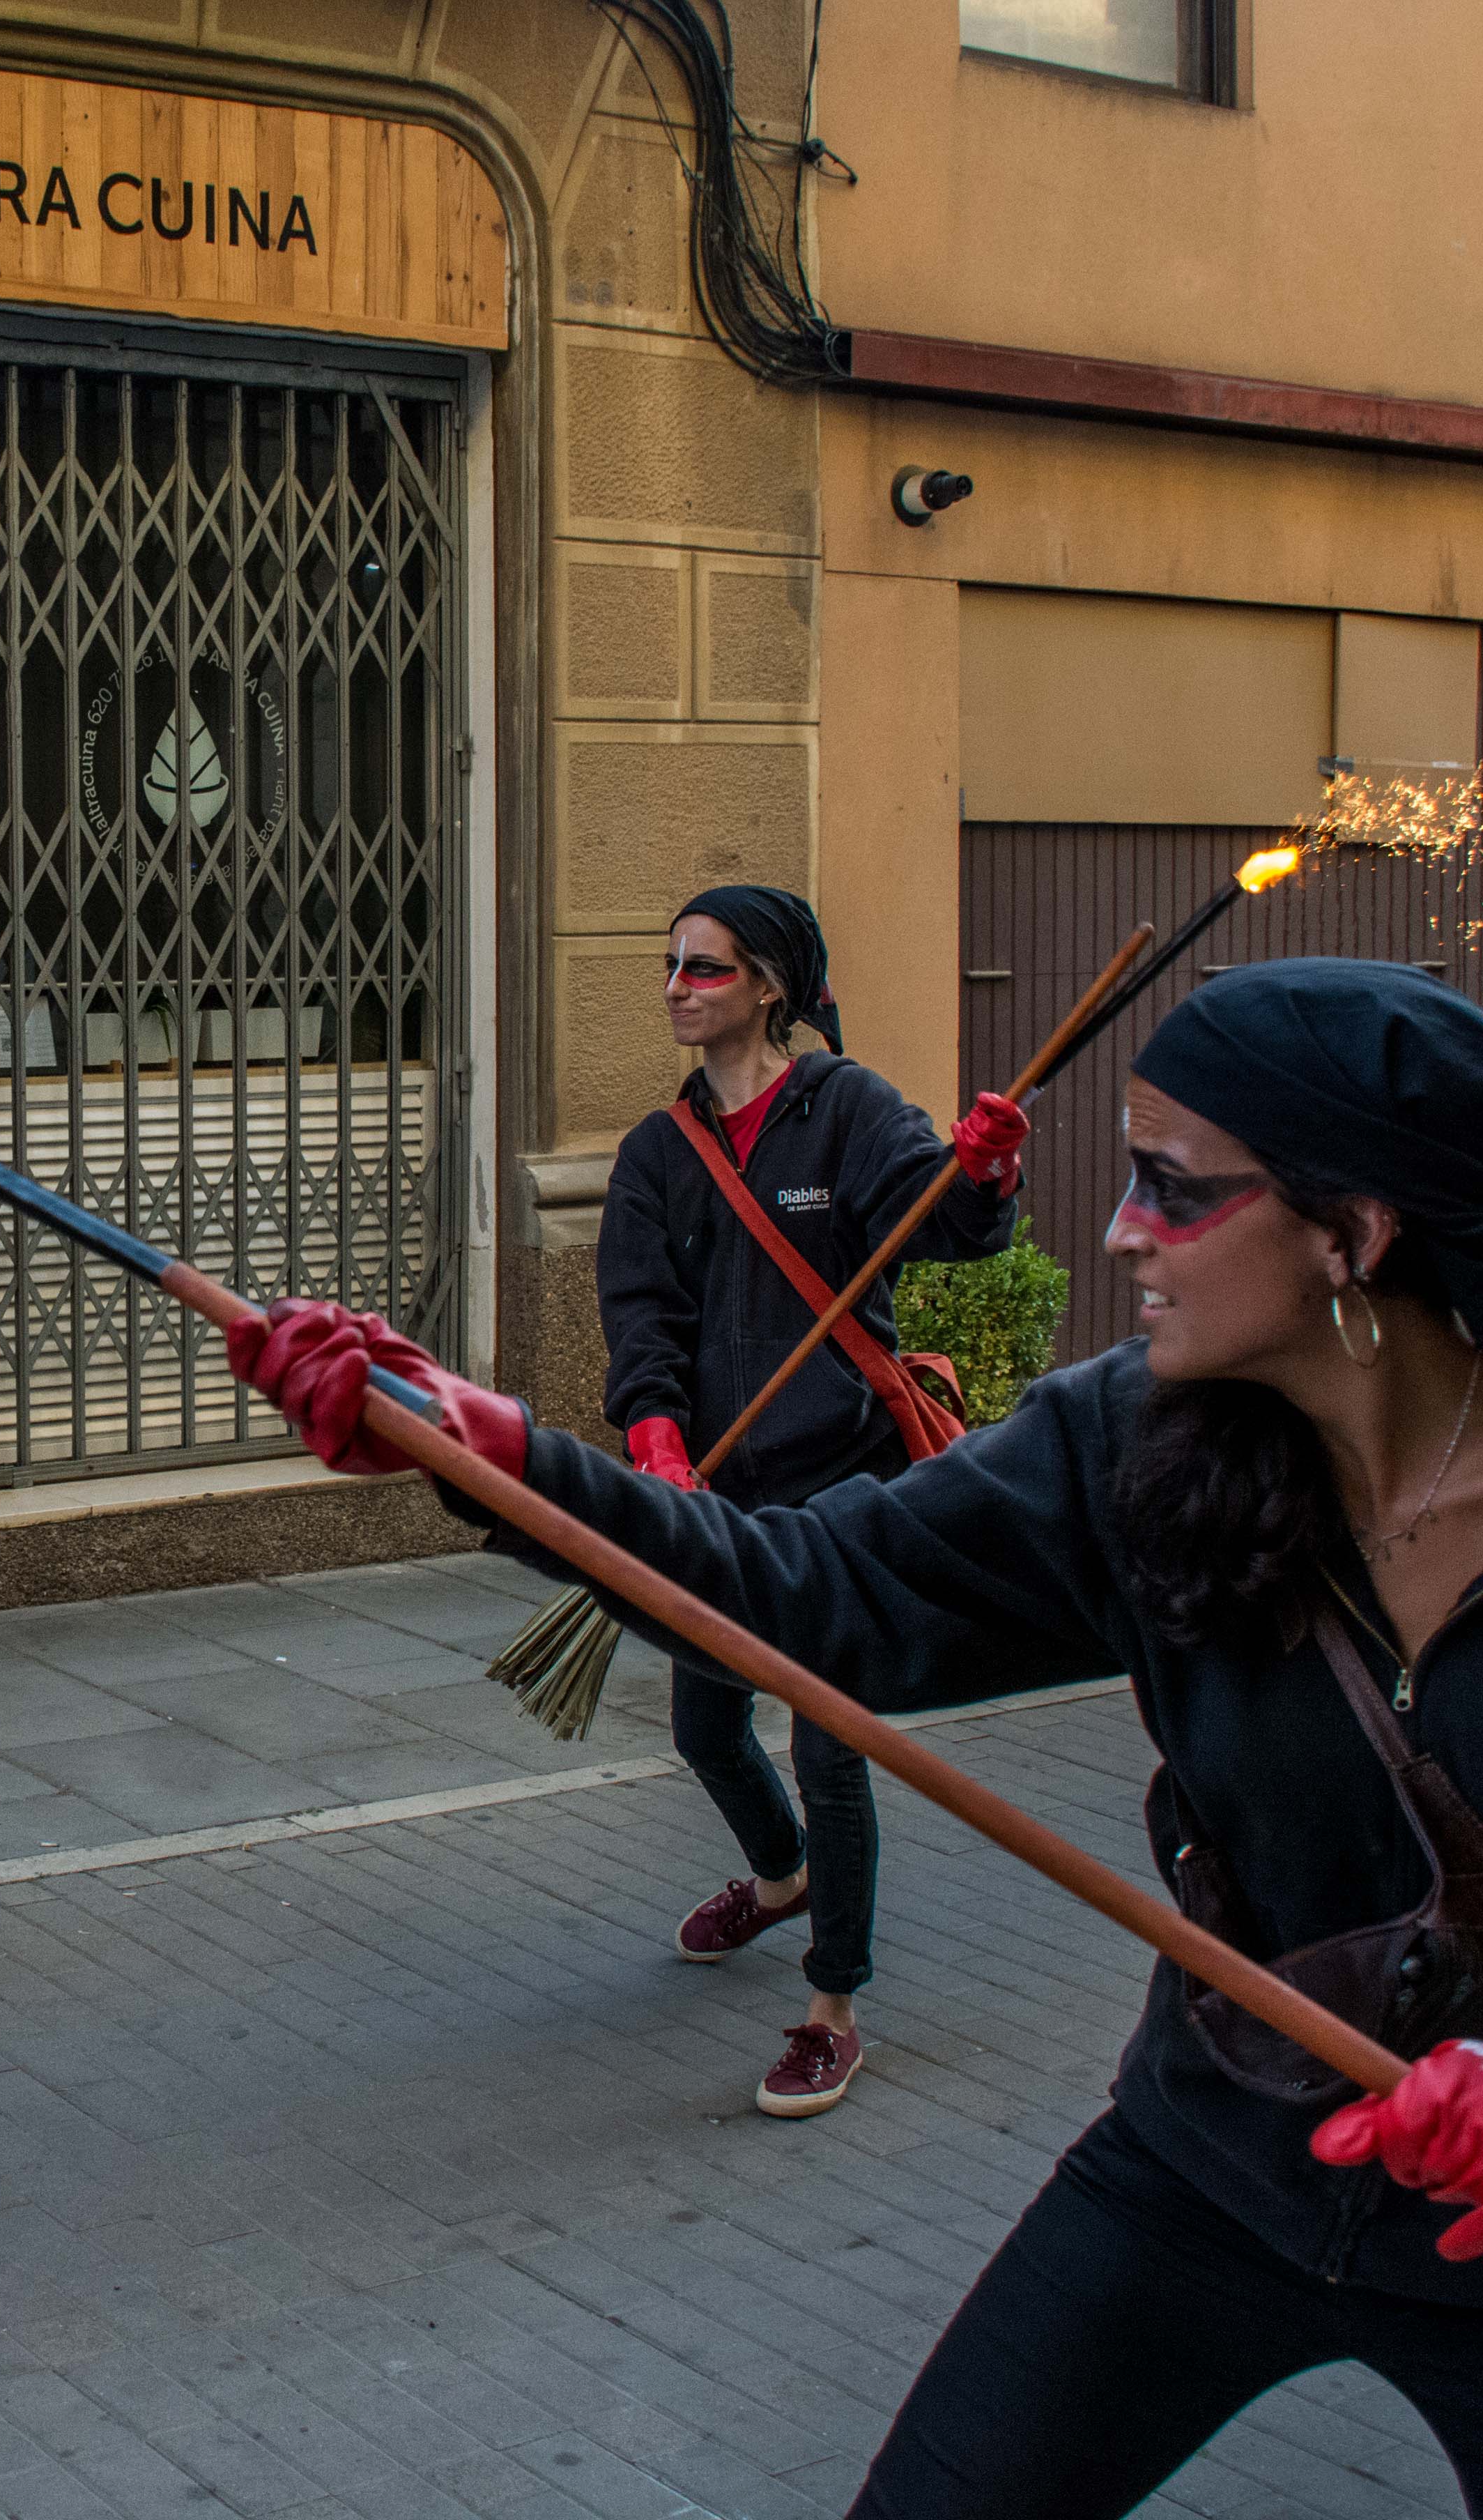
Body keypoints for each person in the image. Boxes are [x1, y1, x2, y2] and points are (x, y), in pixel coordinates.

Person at [229, 961, 1483, 2519]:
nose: (1122, 1230)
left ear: (1354, 1229)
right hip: (1209, 2165)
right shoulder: (1133, 1443)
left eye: (1178, 1185)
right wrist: (490, 1448)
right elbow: (814, 1591)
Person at [599, 885, 1025, 2121]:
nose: (678, 986)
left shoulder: (845, 1113)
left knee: (830, 1752)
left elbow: (933, 1228)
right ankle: (780, 1878)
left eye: (706, 969)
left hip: (844, 1493)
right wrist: (658, 1437)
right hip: (720, 1501)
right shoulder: (656, 1155)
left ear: (770, 986)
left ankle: (832, 2005)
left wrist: (981, 1174)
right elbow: (642, 1313)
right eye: (671, 965)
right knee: (707, 1731)